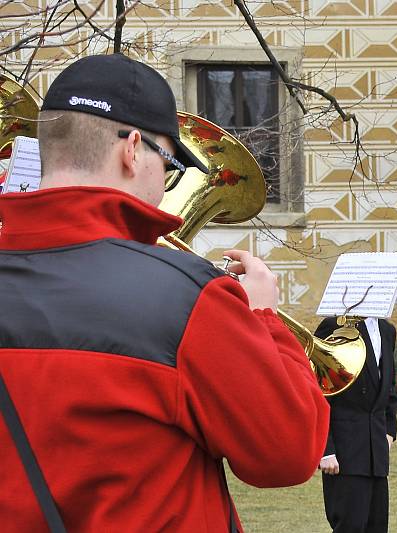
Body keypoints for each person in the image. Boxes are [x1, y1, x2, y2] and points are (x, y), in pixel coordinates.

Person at [0, 53, 329, 531]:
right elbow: (288, 454)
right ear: (132, 149)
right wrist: (262, 318)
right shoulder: (192, 298)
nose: (165, 182)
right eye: (171, 164)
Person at [315, 316, 397, 533]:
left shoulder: (387, 330)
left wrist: (389, 431)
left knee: (377, 526)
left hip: (376, 452)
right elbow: (318, 389)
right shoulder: (334, 326)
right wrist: (325, 450)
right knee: (349, 527)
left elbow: (389, 387)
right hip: (344, 451)